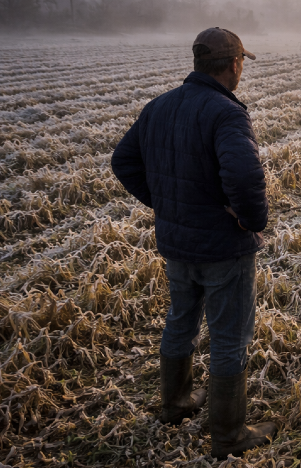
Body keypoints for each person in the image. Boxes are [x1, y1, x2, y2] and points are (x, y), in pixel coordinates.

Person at [111, 27, 277, 458]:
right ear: (234, 64)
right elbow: (243, 175)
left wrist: (166, 204)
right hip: (223, 247)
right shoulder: (226, 112)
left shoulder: (160, 105)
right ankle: (229, 435)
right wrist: (251, 220)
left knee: (180, 320)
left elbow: (123, 160)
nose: (242, 69)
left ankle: (176, 404)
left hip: (176, 241)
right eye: (242, 62)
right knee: (228, 338)